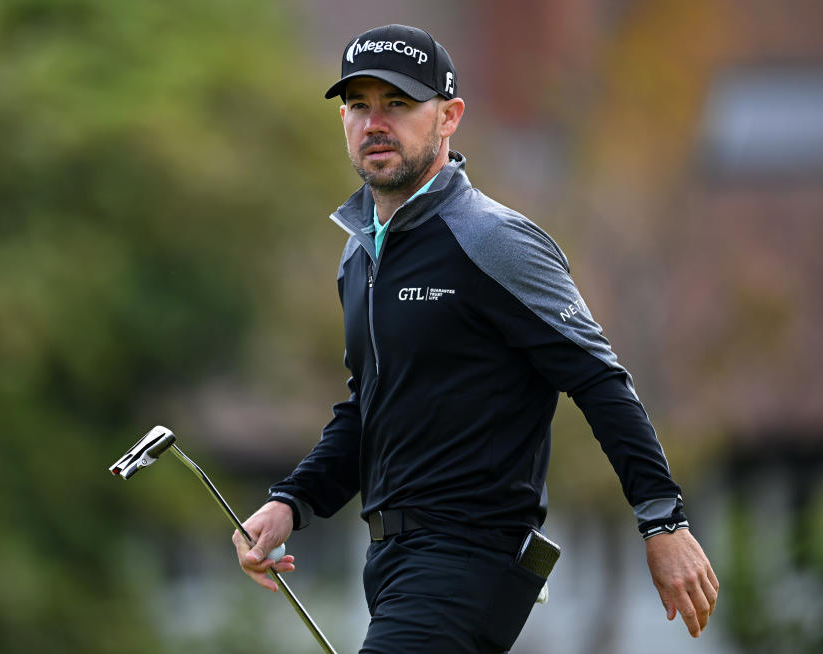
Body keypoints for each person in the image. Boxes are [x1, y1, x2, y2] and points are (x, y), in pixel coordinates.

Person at [232, 23, 718, 653]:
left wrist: (663, 519)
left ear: (450, 116)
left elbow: (599, 380)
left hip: (471, 556)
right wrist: (290, 503)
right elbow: (369, 408)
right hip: (392, 564)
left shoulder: (493, 240)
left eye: (399, 104)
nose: (374, 122)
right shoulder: (359, 259)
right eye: (358, 105)